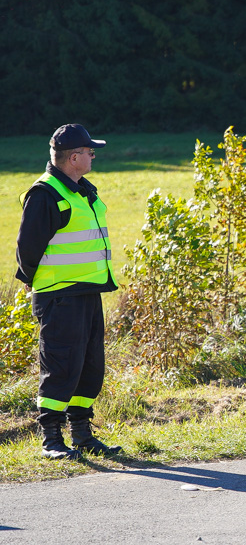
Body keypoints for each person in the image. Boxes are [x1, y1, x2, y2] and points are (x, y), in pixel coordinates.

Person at [16, 124, 122, 459]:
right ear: (73, 157)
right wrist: (42, 287)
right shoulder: (45, 193)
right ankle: (51, 441)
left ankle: (82, 435)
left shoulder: (81, 190)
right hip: (60, 295)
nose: (93, 156)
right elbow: (27, 250)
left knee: (89, 367)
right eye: (90, 151)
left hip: (87, 291)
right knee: (61, 366)